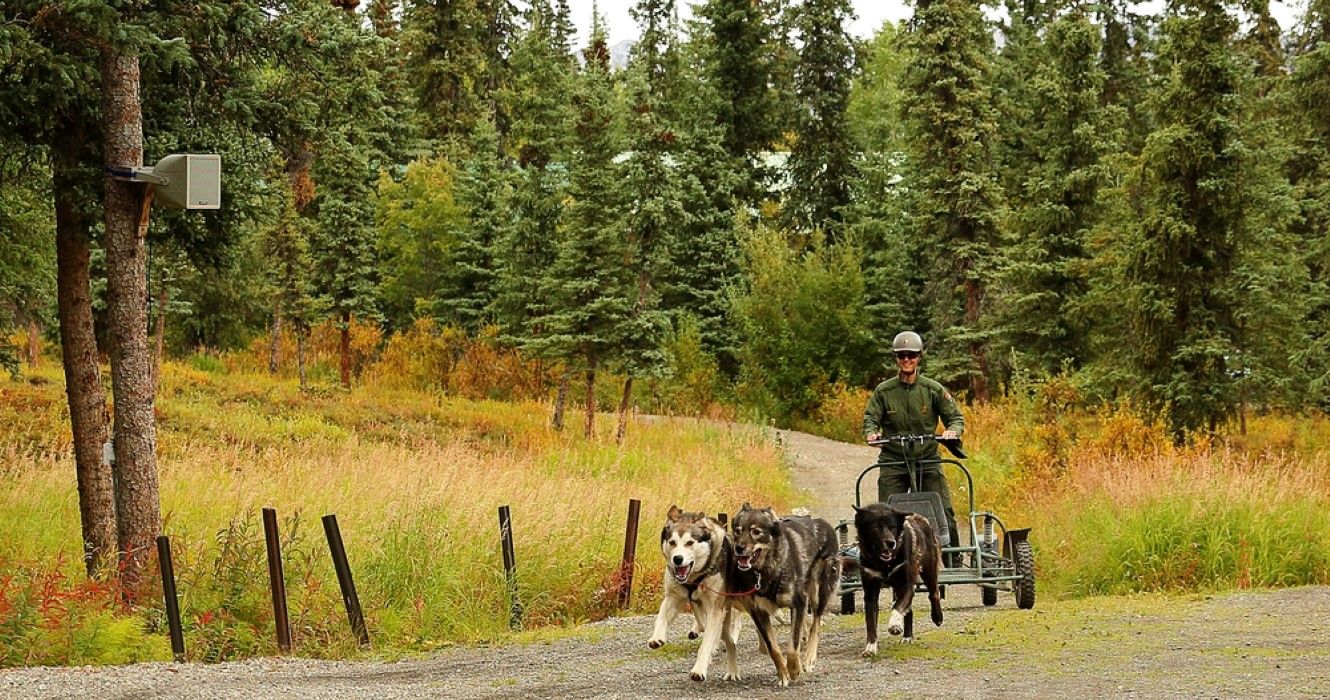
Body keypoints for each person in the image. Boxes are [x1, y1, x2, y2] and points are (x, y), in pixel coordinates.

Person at [862, 331, 965, 563]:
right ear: (896, 359)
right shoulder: (884, 391)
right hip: (894, 460)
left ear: (919, 357)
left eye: (911, 355)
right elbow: (870, 418)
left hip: (927, 457)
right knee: (884, 511)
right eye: (902, 356)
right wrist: (872, 432)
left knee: (943, 506)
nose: (907, 360)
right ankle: (884, 556)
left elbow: (956, 417)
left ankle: (952, 556)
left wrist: (952, 431)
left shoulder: (932, 389)